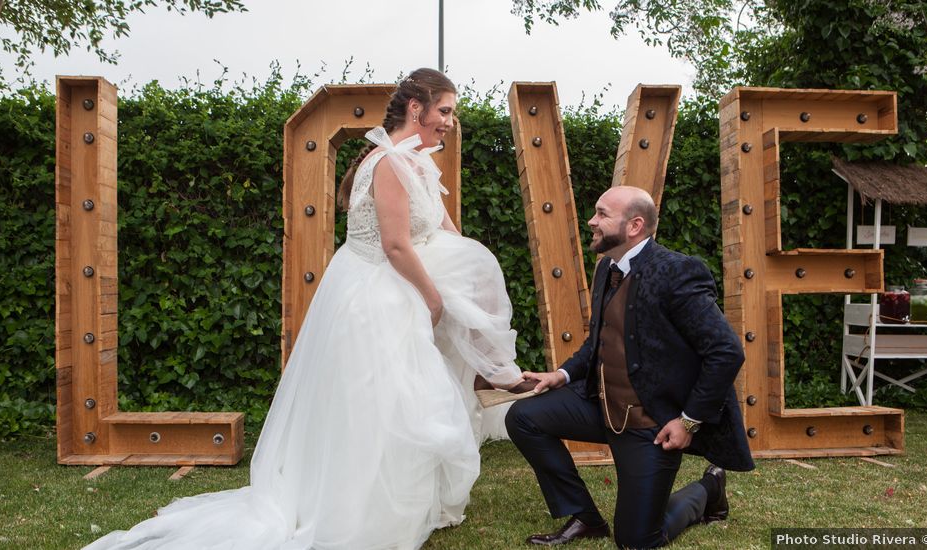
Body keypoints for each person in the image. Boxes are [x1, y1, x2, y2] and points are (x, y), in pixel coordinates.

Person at [85, 68, 538, 550]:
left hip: (400, 287)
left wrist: (473, 275)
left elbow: (448, 233)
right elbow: (396, 247)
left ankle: (488, 386)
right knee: (377, 403)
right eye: (444, 111)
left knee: (410, 399)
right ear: (416, 108)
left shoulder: (421, 164)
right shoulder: (388, 163)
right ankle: (357, 509)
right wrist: (435, 299)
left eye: (452, 113)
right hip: (374, 295)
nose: (449, 121)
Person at [505, 186, 755, 548]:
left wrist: (688, 421)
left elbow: (726, 351)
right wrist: (561, 374)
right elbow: (600, 341)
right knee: (523, 417)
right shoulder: (608, 267)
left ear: (635, 225)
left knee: (637, 541)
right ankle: (585, 517)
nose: (592, 221)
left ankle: (708, 489)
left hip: (651, 426)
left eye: (602, 214)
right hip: (601, 406)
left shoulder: (677, 271)